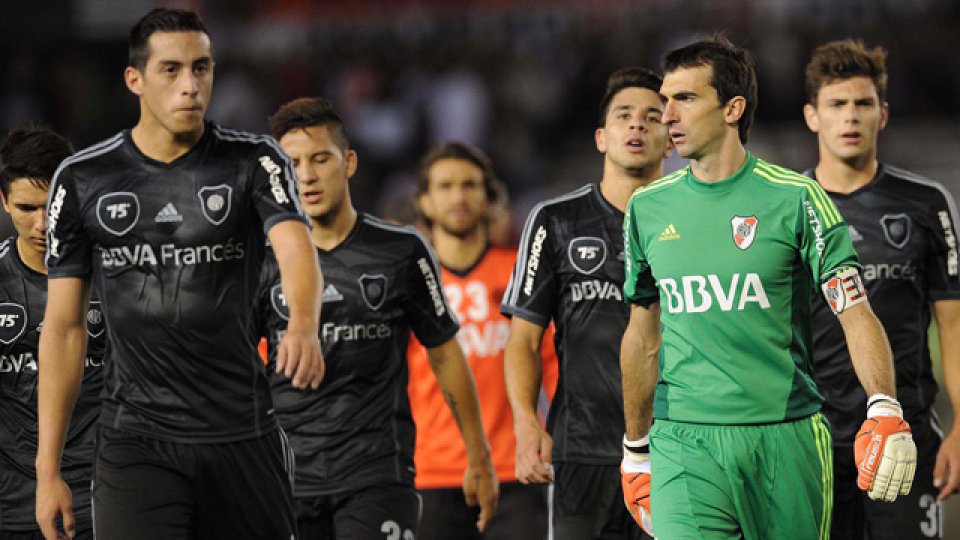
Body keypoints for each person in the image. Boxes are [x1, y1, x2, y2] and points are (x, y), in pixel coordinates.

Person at [36, 8, 323, 540]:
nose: (190, 85)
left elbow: (295, 248)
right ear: (134, 79)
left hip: (243, 435)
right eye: (171, 69)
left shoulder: (254, 162)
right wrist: (47, 468)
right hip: (135, 443)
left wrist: (303, 322)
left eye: (202, 68)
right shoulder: (81, 179)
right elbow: (63, 329)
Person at [619, 36, 917, 540]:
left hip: (787, 438)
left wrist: (884, 404)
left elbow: (855, 311)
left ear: (733, 108)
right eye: (664, 99)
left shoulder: (797, 199)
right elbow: (642, 338)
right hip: (685, 444)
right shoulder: (646, 209)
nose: (665, 115)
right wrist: (634, 448)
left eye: (685, 99)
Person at [260, 97, 498, 540]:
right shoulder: (261, 258)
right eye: (292, 163)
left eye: (320, 159)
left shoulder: (402, 250)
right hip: (284, 479)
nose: (307, 176)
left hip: (377, 475)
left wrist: (478, 454)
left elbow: (445, 354)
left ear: (348, 162)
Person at [500, 66, 671, 540]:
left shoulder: (693, 224)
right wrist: (525, 424)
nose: (636, 125)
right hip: (582, 451)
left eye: (652, 117)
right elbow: (522, 341)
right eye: (624, 116)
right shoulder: (554, 221)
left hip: (676, 450)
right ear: (601, 137)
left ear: (671, 140)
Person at [803, 39, 960, 539]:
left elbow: (953, 326)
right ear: (813, 116)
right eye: (837, 104)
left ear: (883, 115)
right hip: (811, 441)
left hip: (905, 435)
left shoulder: (926, 203)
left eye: (863, 103)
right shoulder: (786, 208)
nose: (850, 116)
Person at [409, 141, 557, 540]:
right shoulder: (405, 280)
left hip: (515, 470)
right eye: (445, 186)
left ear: (490, 198)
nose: (458, 195)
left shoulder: (521, 272)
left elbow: (555, 366)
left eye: (470, 185)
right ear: (424, 200)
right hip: (429, 473)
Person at [0, 126, 103, 540]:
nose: (43, 224)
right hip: (13, 506)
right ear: (3, 200)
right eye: (26, 207)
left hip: (107, 498)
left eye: (52, 206)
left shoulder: (117, 276)